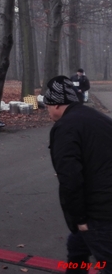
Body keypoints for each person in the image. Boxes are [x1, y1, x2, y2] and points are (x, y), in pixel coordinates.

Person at [44, 75, 112, 273]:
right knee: (77, 248)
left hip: (99, 212)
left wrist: (80, 219)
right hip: (104, 202)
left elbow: (70, 178)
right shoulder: (98, 118)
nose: (48, 111)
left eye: (47, 106)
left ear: (57, 105)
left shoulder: (65, 128)